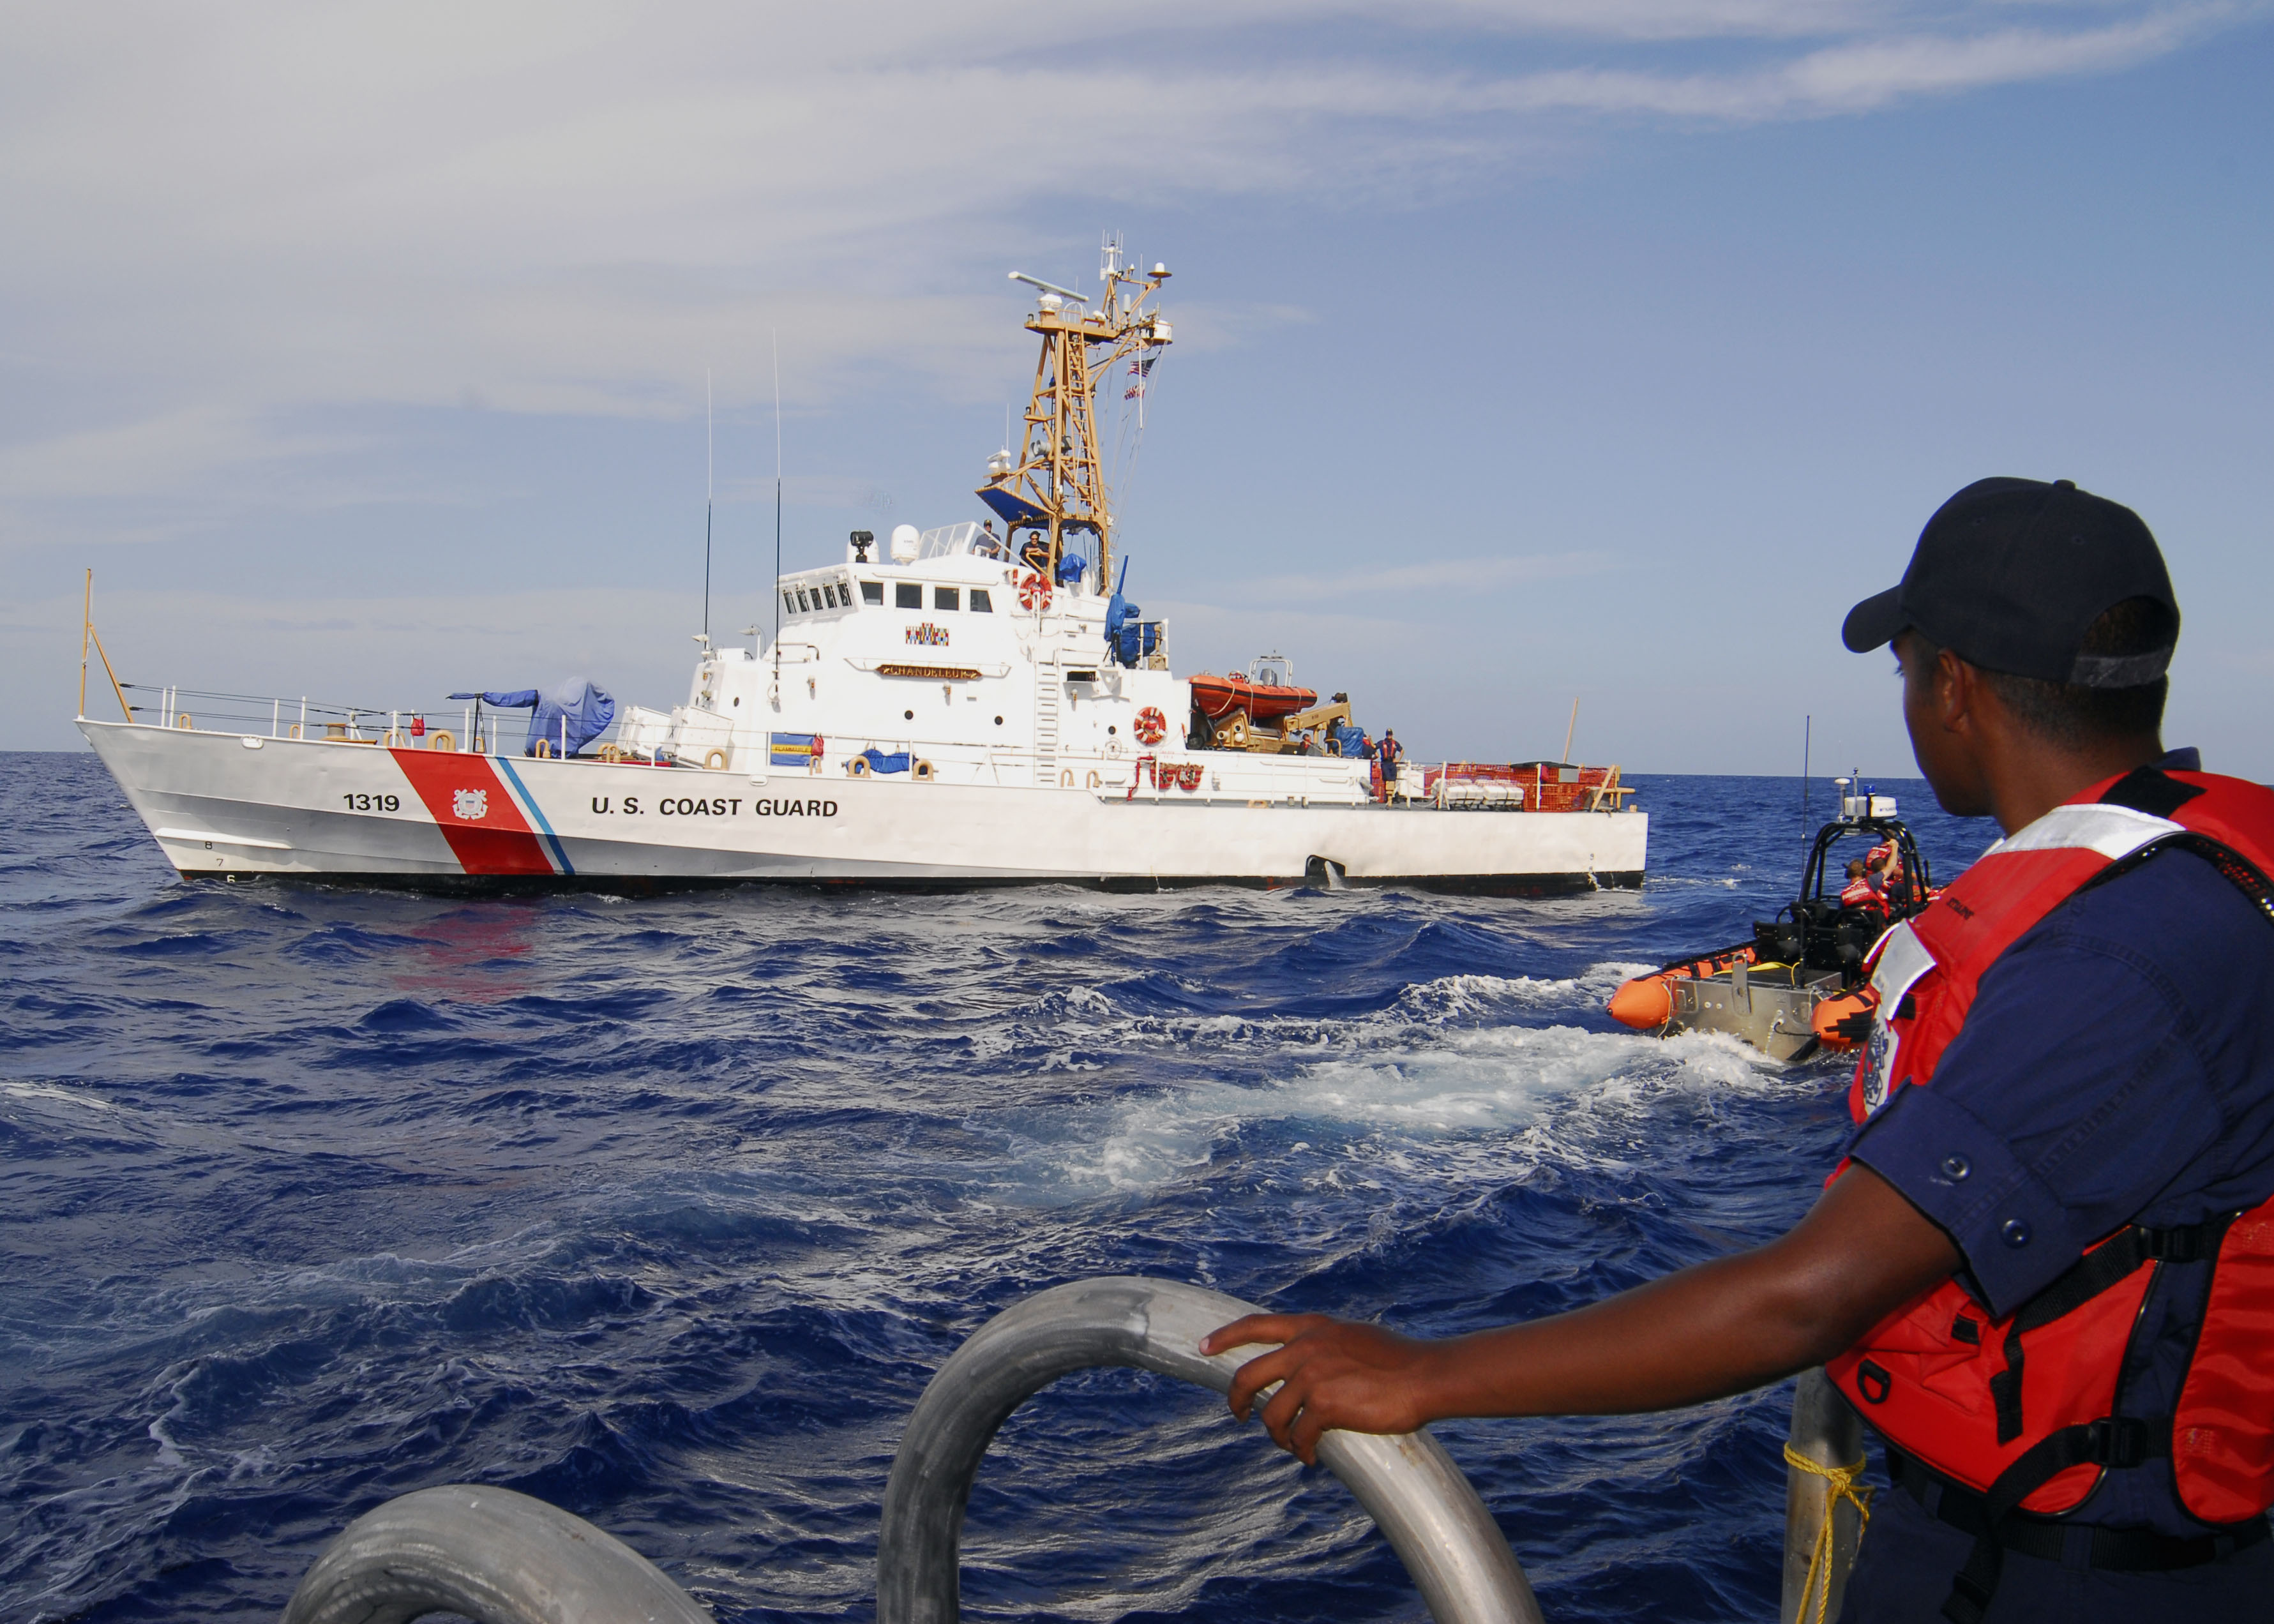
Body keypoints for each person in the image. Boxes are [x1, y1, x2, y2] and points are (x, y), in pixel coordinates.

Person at [1201, 477, 2274, 1623]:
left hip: (2072, 1575)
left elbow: (1807, 1299)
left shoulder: (2112, 958)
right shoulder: (2192, 877)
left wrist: (1424, 1372)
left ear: (1951, 684)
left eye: (1905, 668)